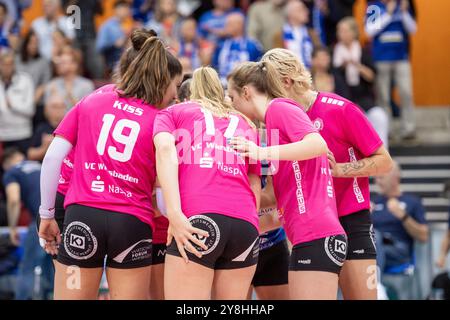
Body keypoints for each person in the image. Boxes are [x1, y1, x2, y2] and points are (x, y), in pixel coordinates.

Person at [38, 29, 183, 300]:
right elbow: (163, 190)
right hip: (132, 222)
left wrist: (46, 214)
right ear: (164, 81)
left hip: (83, 216)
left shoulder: (97, 96)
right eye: (176, 85)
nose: (176, 94)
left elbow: (53, 157)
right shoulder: (161, 120)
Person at [261, 48, 393, 299]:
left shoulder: (340, 109)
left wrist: (340, 169)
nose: (268, 100)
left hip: (350, 219)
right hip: (310, 227)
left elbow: (384, 162)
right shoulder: (278, 121)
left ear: (287, 82)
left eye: (270, 91)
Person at [228, 61, 347, 300]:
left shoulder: (278, 108)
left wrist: (261, 153)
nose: (231, 105)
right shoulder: (271, 121)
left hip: (316, 231)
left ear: (246, 92)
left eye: (231, 97)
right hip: (306, 233)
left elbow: (318, 144)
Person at [153, 67, 261, 300]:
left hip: (199, 217)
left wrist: (174, 213)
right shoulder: (246, 123)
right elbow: (254, 178)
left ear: (189, 94)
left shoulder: (175, 111)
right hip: (246, 224)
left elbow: (164, 149)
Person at [372, 161, 428, 299]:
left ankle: (375, 285)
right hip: (375, 247)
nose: (377, 182)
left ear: (395, 177)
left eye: (381, 178)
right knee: (373, 238)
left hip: (398, 250)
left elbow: (423, 236)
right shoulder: (374, 202)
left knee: (376, 237)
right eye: (376, 178)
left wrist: (403, 216)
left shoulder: (411, 201)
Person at [2, 148, 53, 300]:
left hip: (41, 220)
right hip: (60, 217)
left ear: (6, 163)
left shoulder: (12, 172)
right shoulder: (39, 165)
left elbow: (13, 200)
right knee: (51, 266)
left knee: (27, 267)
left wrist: (12, 229)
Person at [365, 0, 417, 140]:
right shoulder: (374, 6)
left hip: (401, 57)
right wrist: (388, 13)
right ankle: (387, 130)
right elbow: (370, 30)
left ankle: (409, 129)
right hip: (381, 58)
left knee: (406, 93)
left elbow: (413, 29)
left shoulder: (402, 5)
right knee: (384, 96)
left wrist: (405, 12)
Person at [334, 17, 389, 148]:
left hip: (364, 99)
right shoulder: (333, 52)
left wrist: (356, 65)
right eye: (340, 31)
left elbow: (372, 76)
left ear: (354, 33)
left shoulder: (363, 51)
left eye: (346, 31)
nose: (342, 34)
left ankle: (382, 155)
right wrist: (342, 66)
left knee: (379, 116)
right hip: (343, 101)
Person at [212, 12, 262, 85]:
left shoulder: (253, 45)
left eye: (229, 24)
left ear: (239, 25)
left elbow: (258, 69)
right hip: (221, 84)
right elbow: (215, 66)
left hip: (244, 84)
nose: (225, 27)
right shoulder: (221, 45)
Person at [0, 50, 35, 154]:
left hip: (22, 133)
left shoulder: (25, 80)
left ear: (14, 65)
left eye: (10, 64)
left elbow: (30, 110)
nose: (7, 67)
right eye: (4, 64)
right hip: (2, 135)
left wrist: (13, 106)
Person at [274, 0, 319, 70]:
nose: (307, 11)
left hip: (311, 76)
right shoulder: (279, 36)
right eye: (302, 9)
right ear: (291, 14)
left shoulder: (312, 34)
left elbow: (319, 56)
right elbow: (277, 62)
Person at [16, 30, 52, 105]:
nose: (34, 46)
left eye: (36, 43)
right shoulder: (16, 59)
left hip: (35, 100)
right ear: (25, 44)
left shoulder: (43, 62)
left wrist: (32, 102)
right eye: (31, 43)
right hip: (16, 97)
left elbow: (45, 84)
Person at [96, 0, 132, 73]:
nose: (126, 11)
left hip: (129, 61)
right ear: (116, 10)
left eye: (127, 9)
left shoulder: (130, 24)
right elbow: (100, 47)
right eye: (123, 8)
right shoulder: (107, 26)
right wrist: (114, 45)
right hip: (114, 62)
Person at [27, 95, 66, 162]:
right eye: (55, 106)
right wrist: (44, 148)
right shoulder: (41, 129)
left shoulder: (71, 128)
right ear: (46, 110)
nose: (59, 110)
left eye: (62, 106)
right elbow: (30, 155)